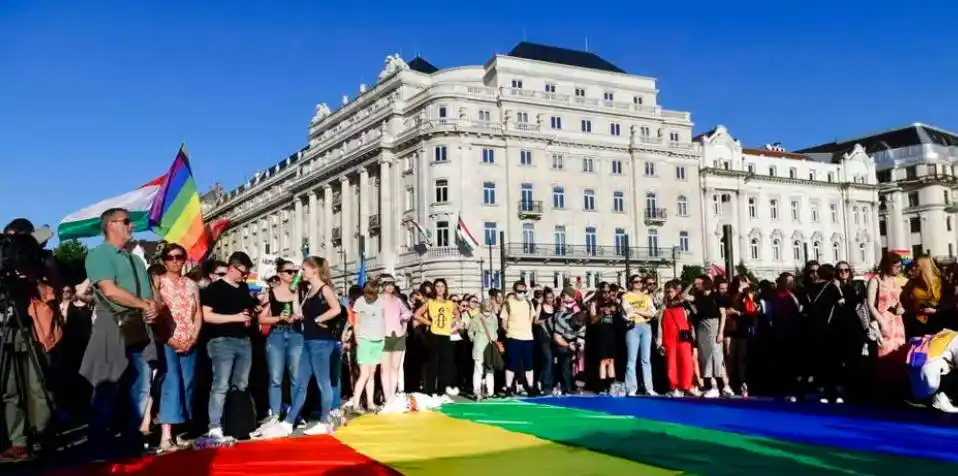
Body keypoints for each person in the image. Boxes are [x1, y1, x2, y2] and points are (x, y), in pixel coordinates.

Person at [80, 208, 161, 457]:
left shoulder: (136, 259)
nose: (131, 226)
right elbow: (109, 290)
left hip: (140, 325)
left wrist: (155, 307)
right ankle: (99, 445)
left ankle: (131, 440)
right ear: (109, 226)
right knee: (107, 385)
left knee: (140, 387)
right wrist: (144, 305)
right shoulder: (98, 254)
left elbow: (153, 295)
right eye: (126, 222)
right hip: (112, 324)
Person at [262, 257, 342, 438]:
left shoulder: (324, 288)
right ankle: (289, 422)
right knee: (300, 381)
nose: (300, 273)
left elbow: (336, 309)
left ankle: (324, 421)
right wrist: (293, 306)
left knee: (323, 382)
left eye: (303, 269)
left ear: (313, 269)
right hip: (307, 341)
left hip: (321, 341)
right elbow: (299, 313)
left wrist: (318, 320)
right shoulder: (307, 291)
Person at [199, 251, 258, 444]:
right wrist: (235, 318)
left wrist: (252, 313)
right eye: (242, 271)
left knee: (240, 385)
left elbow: (249, 308)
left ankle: (237, 423)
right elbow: (206, 315)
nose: (245, 275)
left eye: (247, 272)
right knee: (221, 385)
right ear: (232, 268)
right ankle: (214, 425)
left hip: (243, 340)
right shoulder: (214, 289)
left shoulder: (242, 288)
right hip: (222, 341)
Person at [154, 244, 203, 452]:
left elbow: (198, 313)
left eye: (179, 257)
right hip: (168, 341)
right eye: (171, 257)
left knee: (187, 385)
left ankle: (177, 432)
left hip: (189, 339)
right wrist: (169, 339)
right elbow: (155, 313)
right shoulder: (158, 283)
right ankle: (165, 436)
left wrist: (193, 337)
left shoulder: (192, 285)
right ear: (164, 260)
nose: (175, 261)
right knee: (171, 384)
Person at [255, 258, 304, 432]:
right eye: (289, 272)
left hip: (295, 335)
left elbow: (298, 312)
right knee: (275, 378)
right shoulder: (270, 293)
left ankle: (294, 413)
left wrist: (297, 316)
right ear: (280, 274)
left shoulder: (297, 291)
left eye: (295, 272)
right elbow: (261, 318)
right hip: (276, 334)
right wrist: (278, 318)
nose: (293, 275)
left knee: (295, 377)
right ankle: (275, 414)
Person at [413, 278, 460, 396]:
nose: (440, 289)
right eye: (437, 286)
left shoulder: (450, 303)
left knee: (445, 363)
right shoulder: (430, 302)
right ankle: (430, 390)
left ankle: (441, 391)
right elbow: (417, 315)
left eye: (442, 286)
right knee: (432, 363)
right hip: (433, 334)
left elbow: (457, 315)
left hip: (446, 335)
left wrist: (452, 321)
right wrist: (429, 323)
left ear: (445, 289)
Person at [344, 279, 385, 413]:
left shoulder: (381, 301)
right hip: (364, 340)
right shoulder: (360, 302)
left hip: (378, 340)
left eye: (372, 295)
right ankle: (356, 404)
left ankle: (370, 403)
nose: (369, 297)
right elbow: (356, 323)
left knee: (372, 373)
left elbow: (382, 318)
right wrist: (358, 338)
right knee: (364, 373)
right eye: (367, 294)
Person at [657, 280, 698, 397]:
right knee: (671, 362)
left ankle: (687, 385)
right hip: (669, 337)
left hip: (683, 335)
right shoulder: (664, 306)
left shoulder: (683, 303)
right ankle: (674, 386)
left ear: (676, 291)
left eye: (670, 291)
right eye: (667, 292)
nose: (668, 294)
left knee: (686, 361)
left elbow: (690, 319)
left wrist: (691, 284)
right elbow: (660, 323)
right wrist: (659, 340)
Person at [622, 275, 657, 396]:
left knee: (646, 359)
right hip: (633, 327)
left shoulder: (646, 296)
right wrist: (643, 313)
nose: (639, 283)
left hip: (646, 327)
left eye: (640, 281)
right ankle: (631, 387)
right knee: (631, 359)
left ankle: (649, 388)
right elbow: (627, 313)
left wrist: (636, 311)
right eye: (636, 281)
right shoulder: (626, 296)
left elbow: (652, 313)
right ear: (631, 283)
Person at [501, 280, 536, 395]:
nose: (522, 293)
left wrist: (526, 330)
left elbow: (531, 320)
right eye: (519, 291)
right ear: (514, 291)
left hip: (527, 338)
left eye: (524, 291)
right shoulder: (507, 304)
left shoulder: (529, 303)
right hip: (513, 337)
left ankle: (530, 386)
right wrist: (510, 332)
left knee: (529, 364)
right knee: (511, 363)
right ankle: (508, 387)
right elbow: (503, 323)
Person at [379, 275, 411, 403]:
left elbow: (407, 312)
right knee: (385, 368)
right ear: (382, 286)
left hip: (398, 335)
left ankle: (392, 395)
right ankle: (387, 397)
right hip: (383, 335)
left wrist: (404, 317)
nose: (390, 286)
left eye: (392, 284)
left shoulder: (397, 300)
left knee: (395, 367)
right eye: (387, 284)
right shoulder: (378, 300)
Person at [467, 299, 501, 400]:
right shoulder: (477, 318)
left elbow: (495, 331)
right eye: (486, 306)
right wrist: (474, 339)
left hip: (488, 346)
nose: (488, 308)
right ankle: (478, 391)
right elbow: (470, 332)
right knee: (481, 369)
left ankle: (489, 391)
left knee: (487, 369)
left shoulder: (494, 317)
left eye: (489, 306)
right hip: (480, 346)